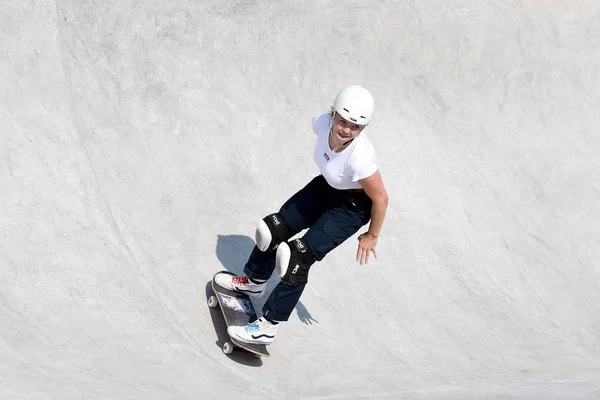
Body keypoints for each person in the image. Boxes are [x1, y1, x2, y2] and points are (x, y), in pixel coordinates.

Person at [215, 85, 389, 345]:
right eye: (343, 121)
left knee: (297, 257)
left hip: (352, 208)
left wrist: (372, 235)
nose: (347, 130)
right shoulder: (321, 124)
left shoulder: (361, 158)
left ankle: (268, 326)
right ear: (333, 115)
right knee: (273, 230)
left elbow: (381, 199)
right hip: (327, 188)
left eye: (356, 127)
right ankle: (253, 282)